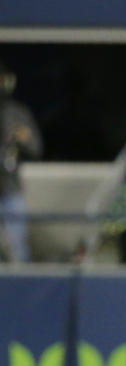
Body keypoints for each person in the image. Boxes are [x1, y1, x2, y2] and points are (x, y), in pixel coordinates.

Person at [0, 61, 42, 262]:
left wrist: (23, 137)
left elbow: (36, 148)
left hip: (10, 190)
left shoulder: (17, 112)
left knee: (17, 248)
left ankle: (21, 290)